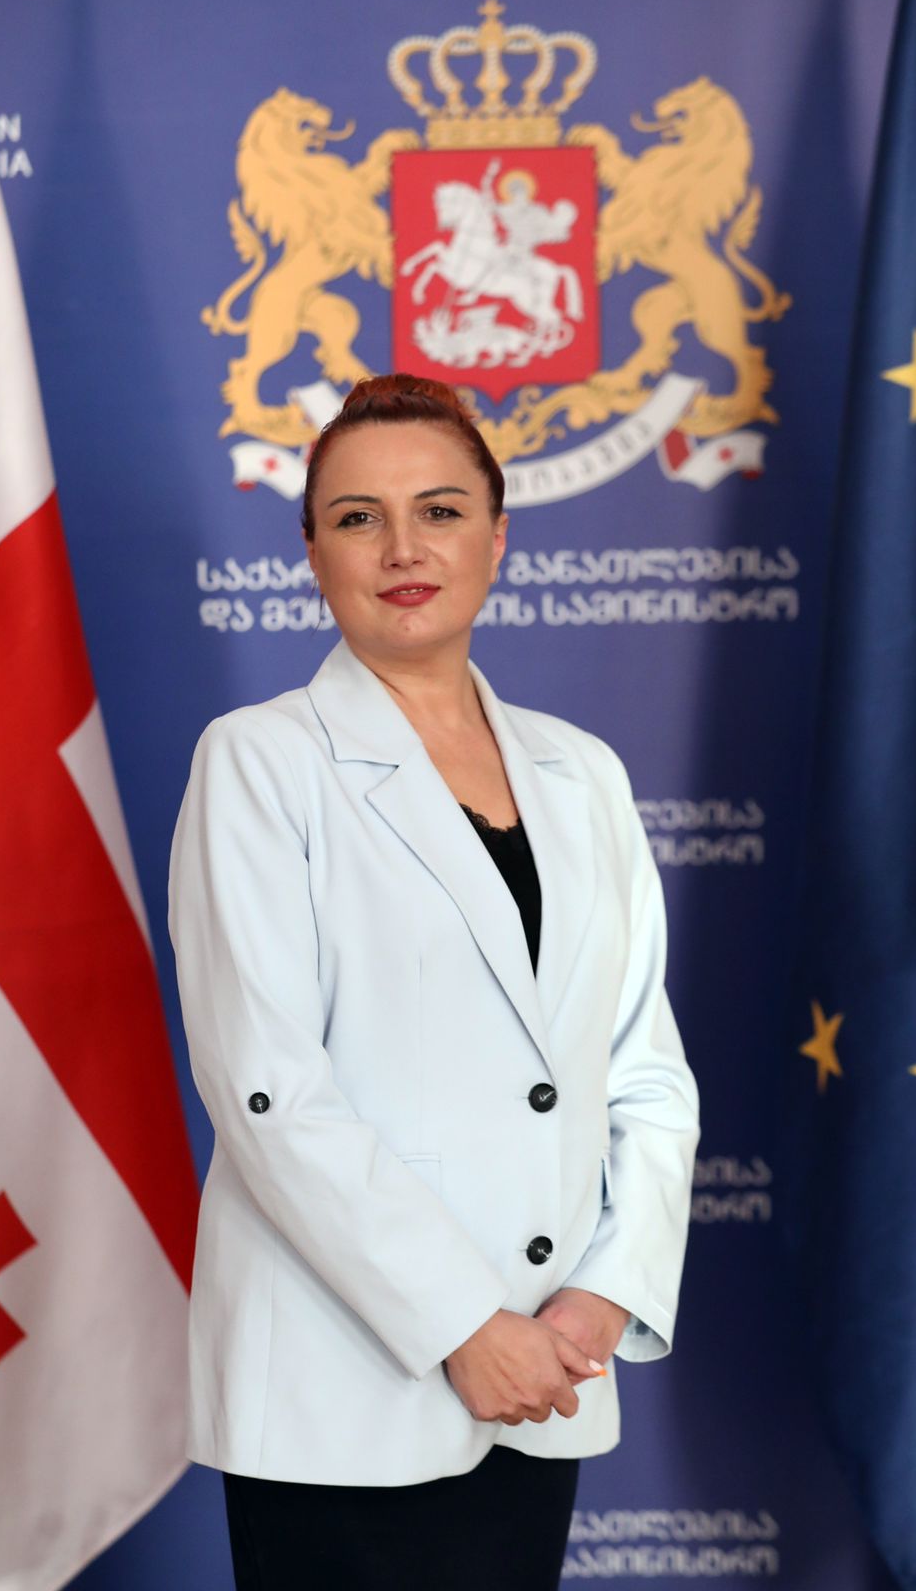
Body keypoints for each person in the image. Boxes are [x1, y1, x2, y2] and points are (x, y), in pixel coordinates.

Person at [168, 373, 700, 1591]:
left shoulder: (583, 773)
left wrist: (600, 1299)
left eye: (441, 511)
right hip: (343, 1384)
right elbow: (267, 1090)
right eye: (358, 517)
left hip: (548, 1370)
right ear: (312, 552)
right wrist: (464, 1324)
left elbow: (644, 1074)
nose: (403, 548)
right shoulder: (260, 762)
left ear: (496, 537)